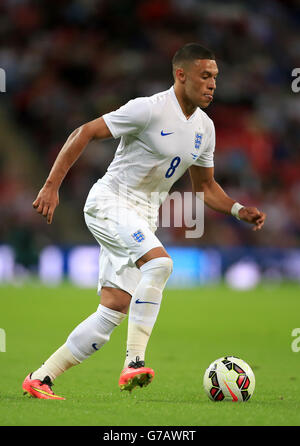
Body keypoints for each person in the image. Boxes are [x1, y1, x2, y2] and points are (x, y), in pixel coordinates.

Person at [22, 43, 266, 400]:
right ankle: (134, 362)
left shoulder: (205, 128)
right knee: (162, 264)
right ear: (180, 75)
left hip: (141, 217)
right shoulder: (148, 110)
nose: (213, 84)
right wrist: (50, 187)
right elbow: (84, 132)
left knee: (113, 310)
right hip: (110, 202)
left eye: (215, 77)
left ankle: (41, 378)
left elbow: (205, 186)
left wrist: (237, 209)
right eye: (205, 76)